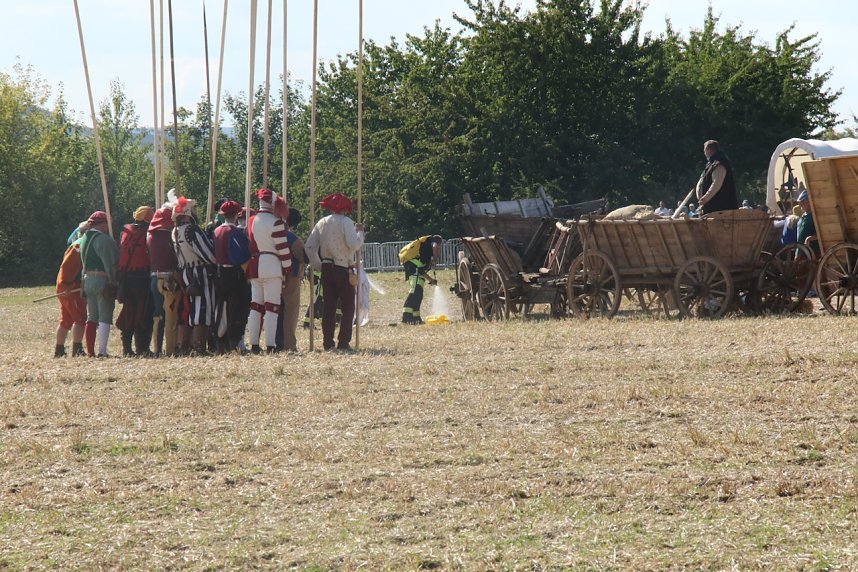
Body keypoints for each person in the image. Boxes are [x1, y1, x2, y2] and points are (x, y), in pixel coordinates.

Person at [305, 192, 364, 351]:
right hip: (343, 268)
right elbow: (353, 244)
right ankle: (343, 343)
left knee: (328, 307)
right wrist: (360, 233)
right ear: (345, 208)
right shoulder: (346, 222)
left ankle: (327, 343)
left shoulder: (322, 222)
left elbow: (309, 246)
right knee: (348, 307)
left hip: (326, 268)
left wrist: (319, 265)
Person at [245, 189, 292, 353]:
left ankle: (254, 344)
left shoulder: (250, 220)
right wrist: (287, 268)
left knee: (255, 306)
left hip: (255, 264)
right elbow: (283, 249)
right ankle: (270, 345)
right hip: (271, 265)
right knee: (272, 307)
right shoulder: (275, 222)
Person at [172, 195, 217, 355]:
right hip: (199, 272)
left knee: (192, 309)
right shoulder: (192, 230)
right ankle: (199, 348)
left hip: (185, 272)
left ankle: (186, 347)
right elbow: (209, 254)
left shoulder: (175, 231)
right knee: (202, 309)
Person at [78, 211, 120, 357]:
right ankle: (102, 351)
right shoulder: (103, 240)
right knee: (105, 317)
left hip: (87, 280)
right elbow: (111, 263)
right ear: (101, 224)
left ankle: (90, 351)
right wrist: (114, 282)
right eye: (107, 223)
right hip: (102, 280)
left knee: (92, 317)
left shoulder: (84, 238)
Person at [116, 206, 155, 357]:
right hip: (141, 278)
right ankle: (142, 348)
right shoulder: (147, 233)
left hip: (126, 278)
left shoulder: (126, 231)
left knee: (129, 312)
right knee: (142, 313)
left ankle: (127, 348)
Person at [212, 199, 250, 353]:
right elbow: (241, 255)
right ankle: (233, 341)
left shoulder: (216, 231)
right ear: (235, 215)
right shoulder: (234, 232)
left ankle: (221, 340)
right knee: (237, 308)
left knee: (221, 308)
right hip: (234, 273)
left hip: (220, 272)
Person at [148, 204, 180, 357]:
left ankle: (157, 350)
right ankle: (170, 350)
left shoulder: (150, 235)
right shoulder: (169, 235)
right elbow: (174, 257)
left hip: (154, 277)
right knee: (170, 314)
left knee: (158, 315)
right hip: (168, 279)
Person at [277, 205, 305, 352]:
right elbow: (302, 257)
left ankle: (276, 342)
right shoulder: (293, 239)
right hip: (291, 277)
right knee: (290, 312)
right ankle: (289, 344)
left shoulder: (274, 235)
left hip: (275, 276)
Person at [54, 240, 87, 357]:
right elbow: (66, 267)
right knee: (80, 317)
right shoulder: (77, 247)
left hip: (67, 286)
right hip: (68, 288)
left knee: (66, 319)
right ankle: (77, 349)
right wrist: (66, 285)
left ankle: (59, 350)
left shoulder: (76, 244)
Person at [400, 235, 443, 324]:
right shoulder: (432, 242)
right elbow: (435, 246)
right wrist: (435, 260)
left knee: (419, 294)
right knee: (415, 292)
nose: (439, 249)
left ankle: (416, 318)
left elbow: (421, 271)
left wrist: (431, 280)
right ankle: (406, 317)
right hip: (414, 268)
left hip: (416, 271)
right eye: (439, 246)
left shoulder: (424, 255)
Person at [695, 139, 739, 215]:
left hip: (719, 207)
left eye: (705, 150)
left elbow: (716, 184)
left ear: (709, 150)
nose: (704, 153)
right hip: (711, 207)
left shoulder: (719, 164)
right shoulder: (711, 164)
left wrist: (706, 198)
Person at [796, 189, 818, 254]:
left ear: (809, 202)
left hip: (812, 251)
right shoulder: (803, 216)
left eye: (803, 202)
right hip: (800, 250)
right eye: (800, 203)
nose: (801, 204)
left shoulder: (815, 217)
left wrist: (810, 239)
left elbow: (823, 233)